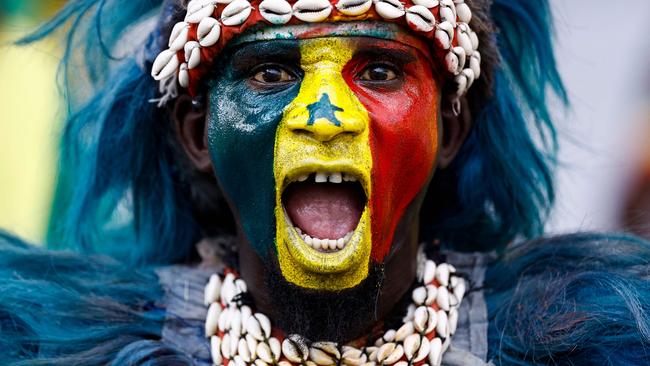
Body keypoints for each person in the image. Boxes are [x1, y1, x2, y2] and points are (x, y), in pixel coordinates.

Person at [2, 0, 649, 365]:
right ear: (199, 136)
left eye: (379, 74)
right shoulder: (63, 347)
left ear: (449, 131)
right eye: (272, 74)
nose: (326, 117)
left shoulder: (595, 340)